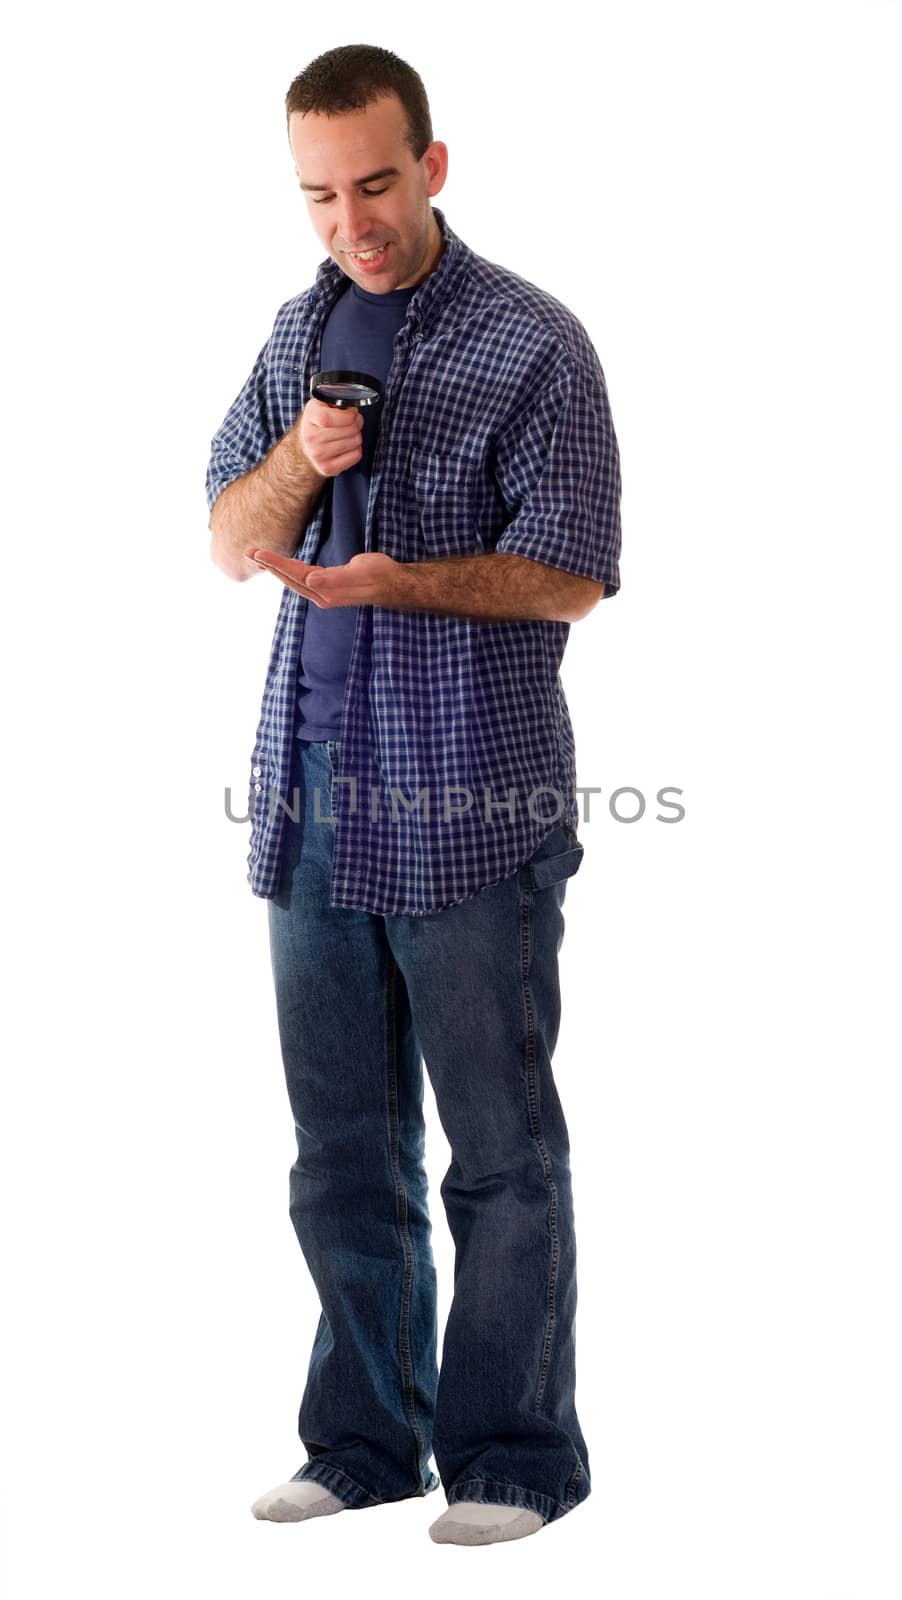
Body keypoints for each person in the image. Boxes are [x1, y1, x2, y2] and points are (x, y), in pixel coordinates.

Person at [205, 43, 622, 1548]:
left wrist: (409, 582)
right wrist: (299, 467)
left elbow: (573, 570)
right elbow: (228, 534)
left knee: (499, 1155)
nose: (350, 222)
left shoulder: (530, 343)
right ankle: (366, 1442)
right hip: (313, 805)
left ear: (430, 166)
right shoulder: (295, 330)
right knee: (341, 1151)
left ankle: (514, 1457)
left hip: (469, 805)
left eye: (374, 184)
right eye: (320, 194)